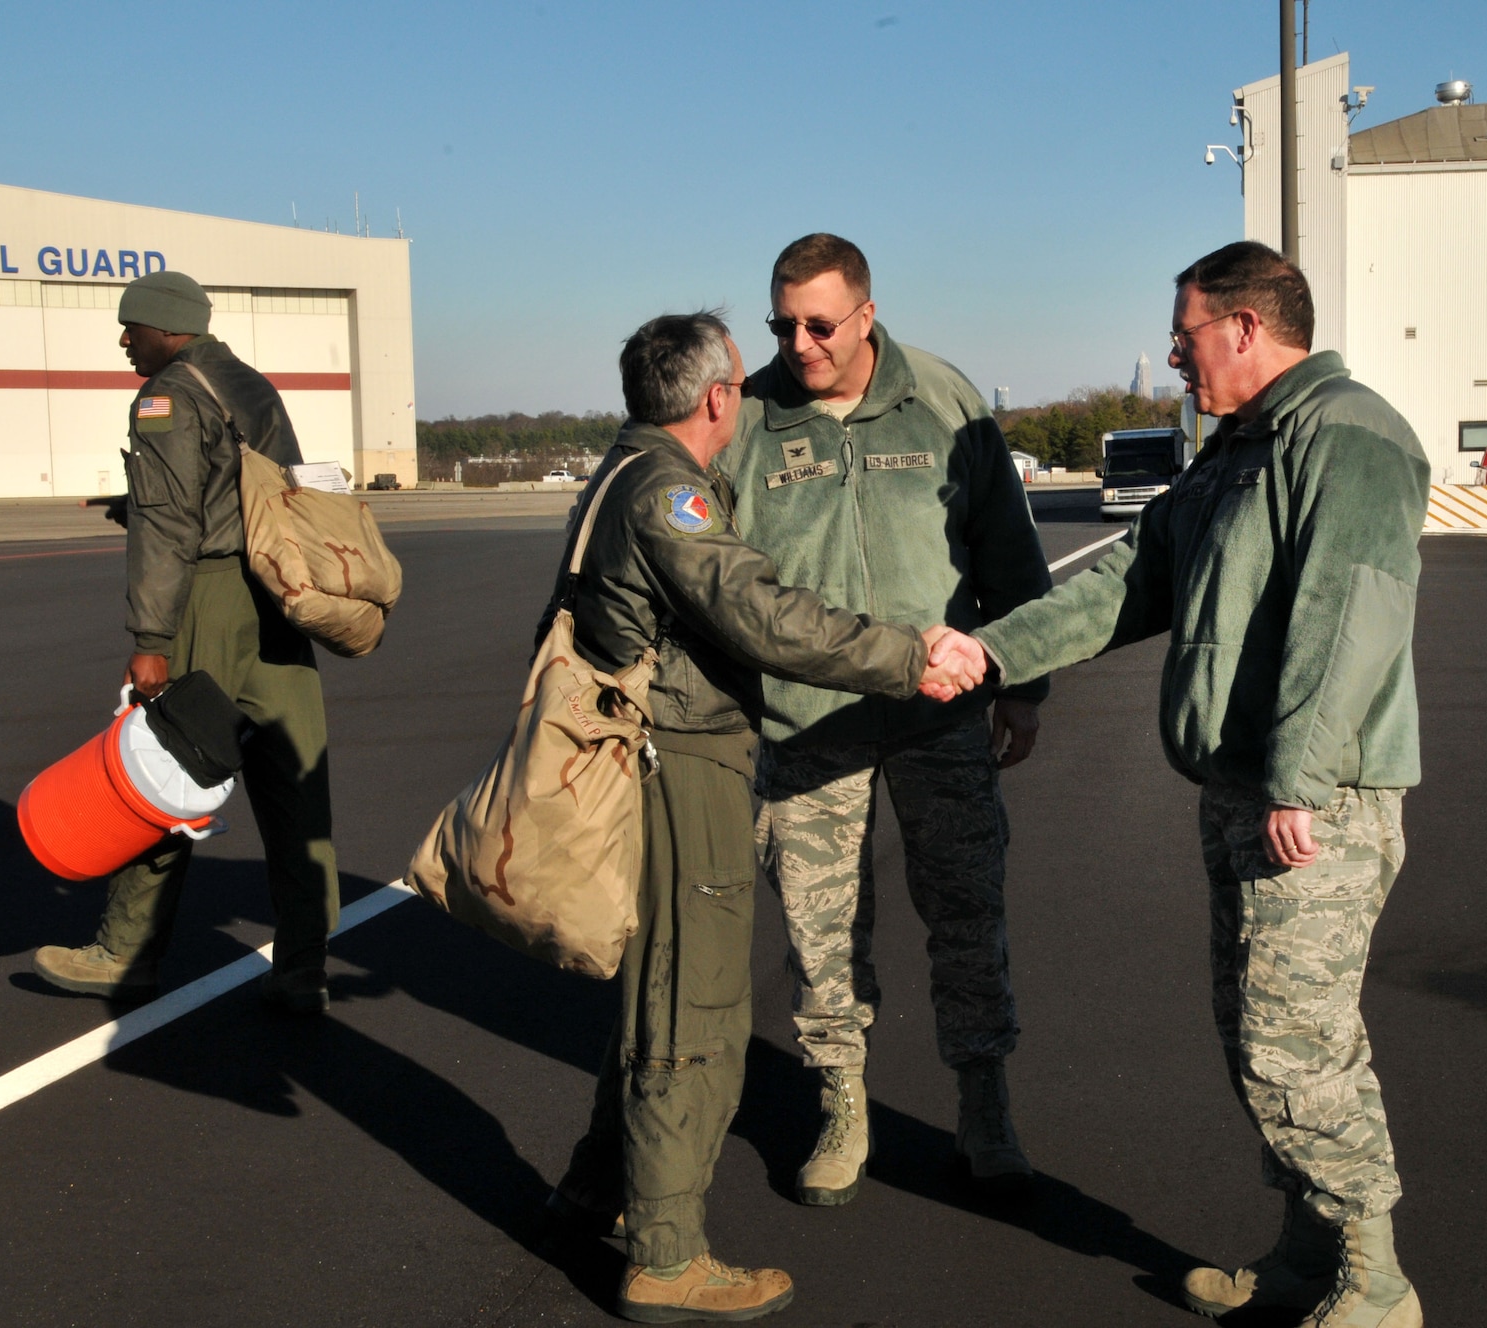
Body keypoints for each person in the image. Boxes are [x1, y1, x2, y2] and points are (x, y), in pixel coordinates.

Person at [937, 242, 1430, 1328]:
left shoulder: (1344, 433)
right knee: (1255, 1030)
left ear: (1246, 327)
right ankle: (1308, 1252)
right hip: (1245, 793)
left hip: (1314, 800)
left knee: (1290, 1040)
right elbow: (1123, 583)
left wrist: (1296, 776)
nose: (1171, 352)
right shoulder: (1229, 457)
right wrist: (991, 653)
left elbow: (1348, 614)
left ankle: (1374, 1277)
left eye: (1186, 330)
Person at [539, 311, 982, 1324]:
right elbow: (763, 616)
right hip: (677, 765)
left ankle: (598, 1187)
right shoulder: (670, 493)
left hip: (643, 758)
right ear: (715, 399)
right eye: (741, 379)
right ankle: (665, 1251)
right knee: (694, 1005)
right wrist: (907, 654)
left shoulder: (621, 470)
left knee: (656, 992)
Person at [719, 233, 1051, 1205]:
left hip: (936, 714)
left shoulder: (945, 401)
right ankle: (841, 1100)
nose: (798, 342)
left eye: (818, 323)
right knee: (819, 927)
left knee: (965, 909)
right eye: (780, 323)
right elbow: (711, 574)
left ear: (865, 313)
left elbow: (1008, 555)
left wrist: (1024, 684)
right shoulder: (747, 420)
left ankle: (984, 1102)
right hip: (803, 723)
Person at [32, 271, 341, 1015]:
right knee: (294, 784)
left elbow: (172, 527)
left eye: (131, 329)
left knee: (163, 775)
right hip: (278, 598)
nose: (124, 341)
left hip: (210, 601)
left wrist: (152, 638)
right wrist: (134, 505)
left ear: (167, 329)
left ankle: (124, 953)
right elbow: (267, 490)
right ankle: (303, 968)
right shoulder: (252, 385)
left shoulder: (167, 395)